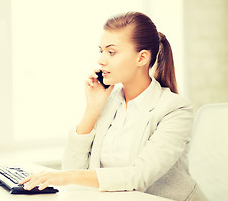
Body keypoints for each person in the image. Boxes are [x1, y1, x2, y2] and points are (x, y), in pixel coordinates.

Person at [20, 12, 208, 201]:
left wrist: (62, 177)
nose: (101, 60)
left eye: (111, 52)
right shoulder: (109, 102)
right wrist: (92, 109)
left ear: (141, 58)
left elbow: (138, 176)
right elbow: (73, 168)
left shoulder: (175, 109)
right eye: (101, 51)